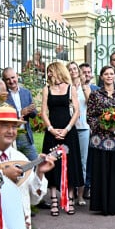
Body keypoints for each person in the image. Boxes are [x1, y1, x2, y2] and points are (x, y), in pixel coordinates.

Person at [87, 65, 115, 215]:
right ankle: (103, 206)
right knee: (102, 172)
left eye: (111, 74)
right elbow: (90, 116)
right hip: (100, 140)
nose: (109, 76)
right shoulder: (95, 95)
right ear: (101, 77)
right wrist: (103, 125)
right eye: (106, 74)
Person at [40, 61, 84, 216]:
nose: (49, 74)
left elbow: (77, 111)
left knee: (70, 165)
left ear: (58, 71)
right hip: (52, 131)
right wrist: (51, 129)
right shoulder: (46, 89)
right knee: (51, 163)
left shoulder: (71, 88)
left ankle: (69, 199)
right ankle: (53, 199)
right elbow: (43, 112)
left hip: (68, 131)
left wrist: (66, 129)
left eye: (51, 71)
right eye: (48, 72)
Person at [68, 61, 92, 206]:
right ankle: (70, 193)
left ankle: (81, 195)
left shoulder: (86, 87)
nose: (73, 71)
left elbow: (91, 103)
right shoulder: (66, 87)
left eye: (75, 69)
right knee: (71, 161)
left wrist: (83, 87)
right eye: (70, 69)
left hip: (83, 127)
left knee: (83, 162)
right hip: (70, 127)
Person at [2, 67, 39, 161]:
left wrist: (32, 110)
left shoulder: (26, 93)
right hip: (9, 137)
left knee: (35, 164)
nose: (11, 81)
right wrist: (20, 113)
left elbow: (34, 115)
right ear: (4, 81)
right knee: (13, 166)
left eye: (13, 77)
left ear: (17, 76)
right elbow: (2, 116)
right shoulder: (3, 95)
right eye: (8, 79)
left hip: (25, 136)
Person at [79, 62, 99, 200]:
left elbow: (95, 107)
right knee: (81, 160)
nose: (86, 74)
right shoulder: (74, 88)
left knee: (91, 161)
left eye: (88, 72)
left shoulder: (96, 89)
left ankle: (88, 187)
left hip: (93, 128)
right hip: (79, 127)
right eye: (84, 72)